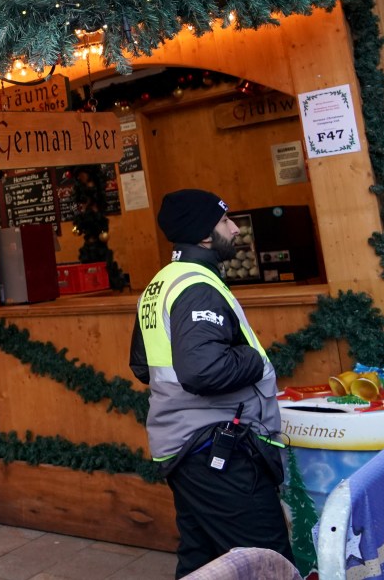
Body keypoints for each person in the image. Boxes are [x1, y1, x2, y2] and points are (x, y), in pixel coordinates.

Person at [128, 189, 295, 578]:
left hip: (186, 452)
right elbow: (203, 371)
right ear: (204, 235)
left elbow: (142, 366)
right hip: (220, 453)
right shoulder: (196, 286)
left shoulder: (161, 284)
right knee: (267, 563)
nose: (235, 228)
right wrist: (253, 358)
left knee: (203, 564)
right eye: (224, 221)